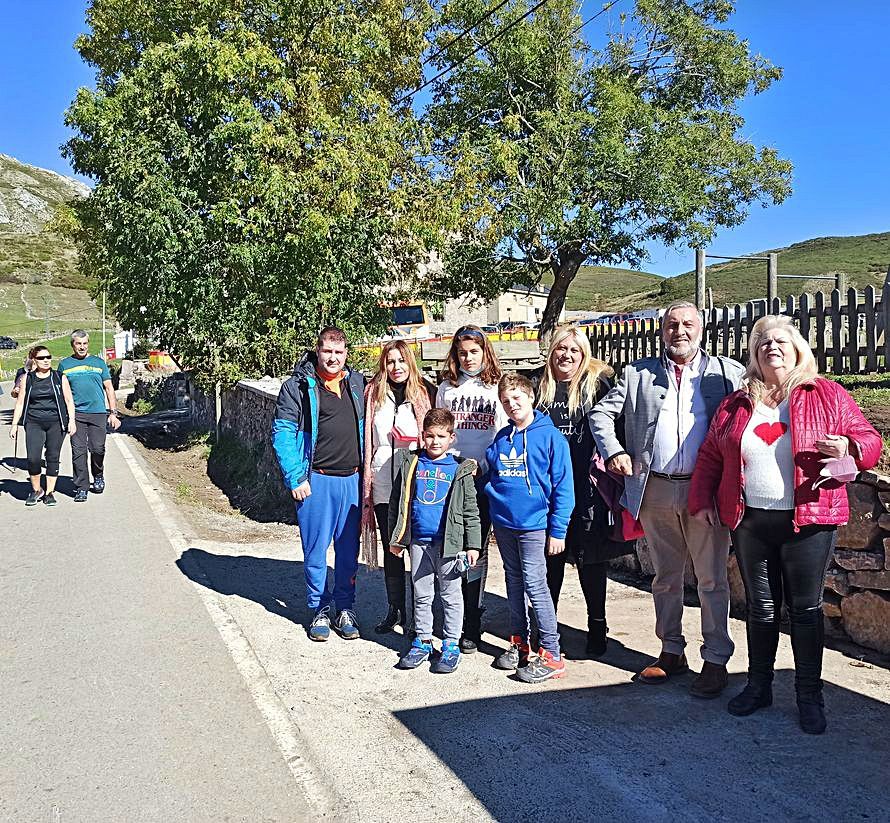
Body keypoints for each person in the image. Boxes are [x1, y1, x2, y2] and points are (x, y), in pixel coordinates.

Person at [689, 315, 881, 734]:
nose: (770, 347)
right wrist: (701, 498)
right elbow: (710, 456)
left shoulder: (826, 393)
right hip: (750, 521)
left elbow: (870, 441)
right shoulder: (737, 402)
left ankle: (809, 696)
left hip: (807, 521)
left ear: (798, 349)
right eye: (762, 343)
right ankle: (759, 687)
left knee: (806, 610)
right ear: (754, 357)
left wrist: (848, 445)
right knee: (760, 609)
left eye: (780, 340)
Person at [591, 301, 744, 698]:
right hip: (654, 486)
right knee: (666, 577)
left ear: (702, 328)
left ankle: (716, 659)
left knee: (711, 579)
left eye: (688, 324)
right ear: (662, 331)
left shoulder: (728, 374)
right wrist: (614, 450)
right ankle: (671, 650)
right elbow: (600, 416)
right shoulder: (637, 373)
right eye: (672, 324)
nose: (680, 331)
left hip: (704, 490)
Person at [532, 325, 632, 658]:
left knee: (592, 562)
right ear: (551, 351)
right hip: (546, 489)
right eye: (561, 348)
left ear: (584, 354)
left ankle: (597, 624)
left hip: (586, 488)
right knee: (551, 560)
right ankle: (548, 626)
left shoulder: (598, 387)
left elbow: (616, 429)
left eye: (575, 350)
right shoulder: (537, 387)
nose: (567, 355)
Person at [272, 326, 366, 642]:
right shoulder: (298, 387)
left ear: (346, 354)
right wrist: (295, 477)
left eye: (339, 352)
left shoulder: (356, 383)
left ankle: (345, 608)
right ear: (318, 350)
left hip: (352, 480)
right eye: (327, 351)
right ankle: (320, 610)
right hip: (316, 482)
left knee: (348, 553)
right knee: (315, 552)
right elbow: (283, 433)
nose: (333, 358)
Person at [486, 373, 574, 683]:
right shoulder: (501, 438)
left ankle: (551, 653)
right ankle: (519, 642)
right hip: (505, 524)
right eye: (506, 401)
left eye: (517, 399)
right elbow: (492, 473)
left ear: (531, 399)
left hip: (535, 526)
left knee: (537, 585)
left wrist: (558, 530)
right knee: (512, 582)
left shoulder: (551, 438)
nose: (512, 406)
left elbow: (564, 487)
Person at [388, 408, 482, 673]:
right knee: (421, 593)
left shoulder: (460, 470)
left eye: (441, 436)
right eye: (430, 436)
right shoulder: (411, 464)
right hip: (419, 541)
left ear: (452, 437)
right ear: (422, 436)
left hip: (448, 545)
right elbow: (398, 503)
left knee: (451, 595)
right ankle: (423, 640)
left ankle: (451, 644)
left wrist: (473, 545)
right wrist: (397, 538)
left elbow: (471, 511)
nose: (435, 442)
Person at [435, 325, 508, 653]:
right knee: (453, 543)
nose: (468, 357)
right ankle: (454, 611)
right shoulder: (446, 389)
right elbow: (441, 430)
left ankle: (472, 620)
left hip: (485, 476)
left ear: (485, 352)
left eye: (474, 351)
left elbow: (505, 433)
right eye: (462, 352)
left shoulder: (496, 387)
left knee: (477, 546)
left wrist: (488, 465)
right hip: (453, 477)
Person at [360, 340, 436, 634]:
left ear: (411, 363)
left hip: (414, 482)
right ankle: (395, 609)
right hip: (380, 481)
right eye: (390, 361)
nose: (396, 367)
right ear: (383, 365)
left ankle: (420, 617)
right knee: (392, 549)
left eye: (401, 361)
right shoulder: (372, 395)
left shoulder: (426, 393)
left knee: (417, 548)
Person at [8, 346, 76, 506]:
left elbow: (68, 401)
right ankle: (37, 489)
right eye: (41, 358)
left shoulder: (60, 377)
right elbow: (20, 403)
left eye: (48, 357)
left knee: (53, 457)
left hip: (56, 422)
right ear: (34, 360)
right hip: (33, 422)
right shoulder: (27, 378)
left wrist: (71, 420)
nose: (46, 360)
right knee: (33, 458)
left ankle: (50, 492)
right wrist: (14, 425)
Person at [58, 331, 121, 502]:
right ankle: (81, 487)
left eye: (85, 343)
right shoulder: (65, 365)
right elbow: (60, 392)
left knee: (97, 449)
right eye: (78, 343)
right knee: (78, 451)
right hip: (76, 414)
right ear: (73, 345)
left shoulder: (99, 363)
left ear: (88, 343)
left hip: (98, 413)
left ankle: (98, 475)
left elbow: (109, 388)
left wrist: (113, 413)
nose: (82, 347)